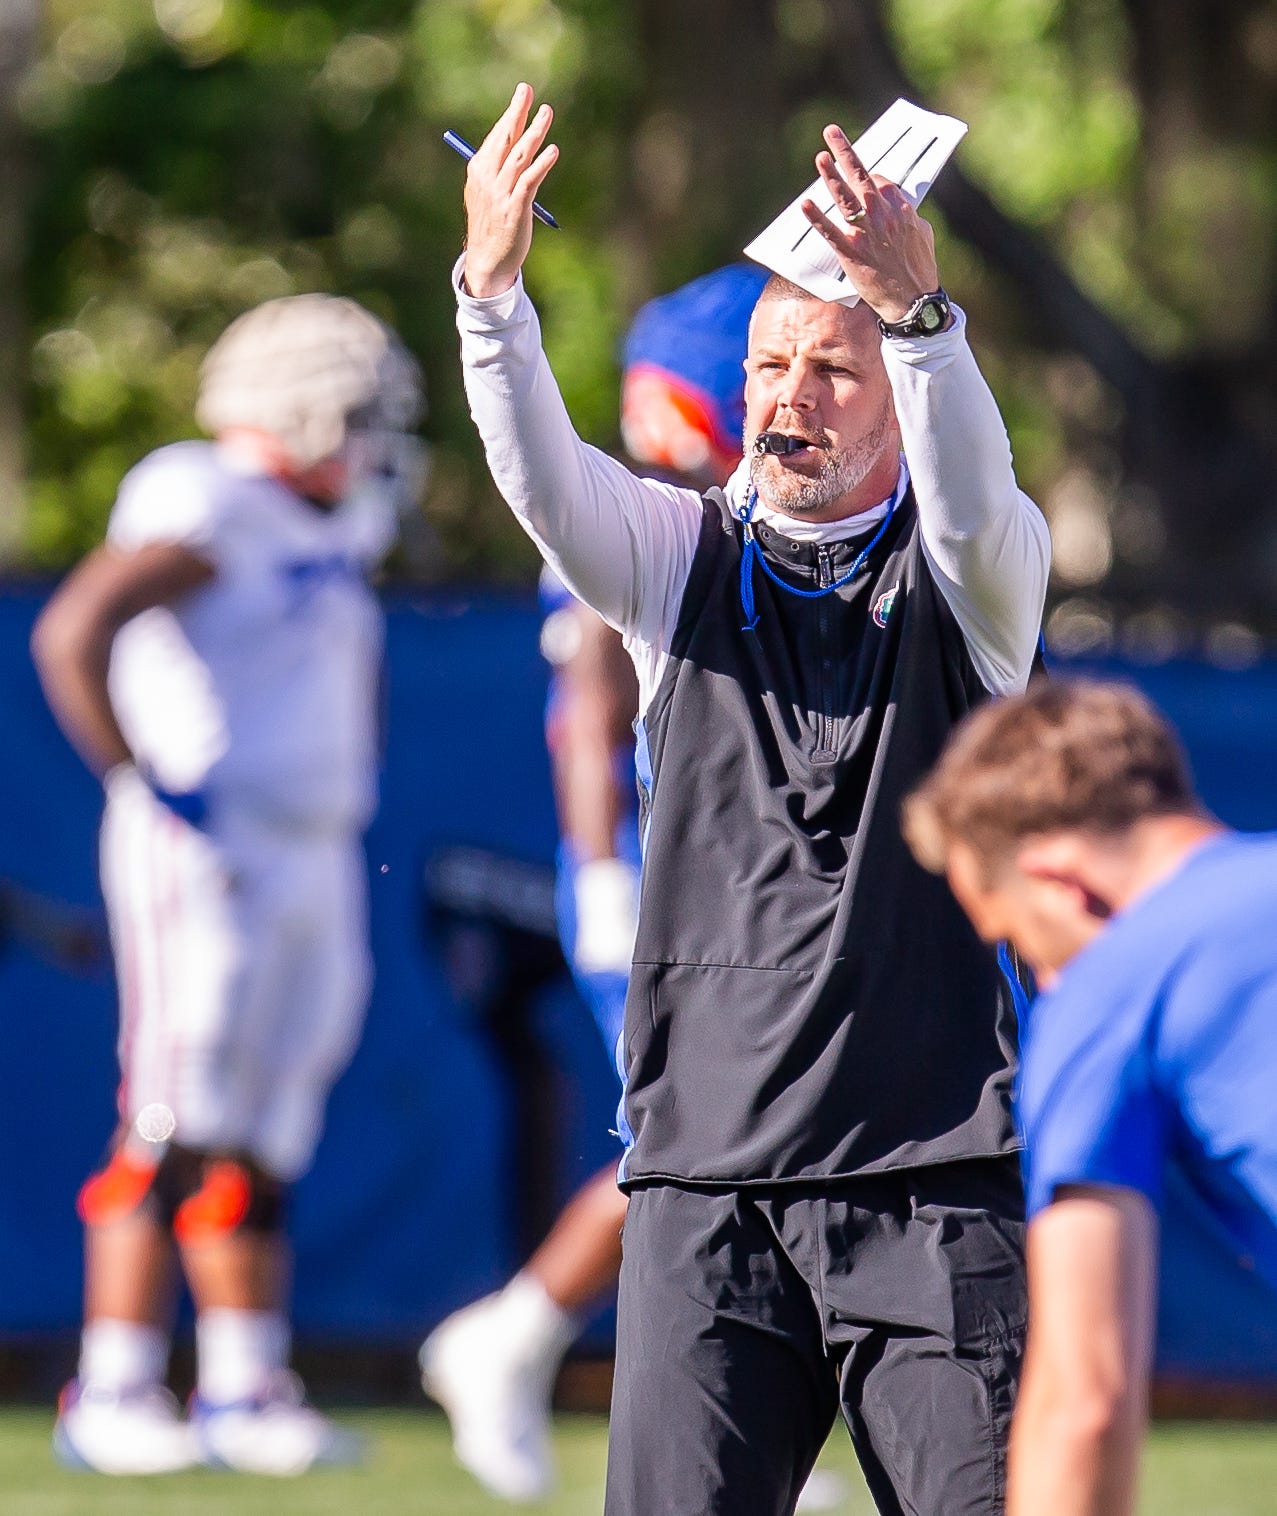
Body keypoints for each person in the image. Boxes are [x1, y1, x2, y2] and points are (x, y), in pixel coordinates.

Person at [453, 83, 1051, 1516]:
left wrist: (919, 323)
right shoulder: (679, 560)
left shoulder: (979, 580)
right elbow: (546, 485)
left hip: (930, 1174)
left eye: (829, 370)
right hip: (701, 1189)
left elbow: (969, 496)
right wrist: (491, 299)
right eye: (768, 363)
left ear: (893, 404)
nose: (787, 393)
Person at [31, 294, 422, 1476]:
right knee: (177, 1098)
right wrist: (140, 783)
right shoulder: (201, 498)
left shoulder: (338, 516)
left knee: (271, 1115)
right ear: (299, 407)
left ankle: (246, 1385)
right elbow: (72, 631)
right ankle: (112, 1380)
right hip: (209, 839)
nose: (375, 436)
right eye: (358, 411)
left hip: (312, 839)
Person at [420, 262, 767, 1502]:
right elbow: (587, 706)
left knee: (736, 1135)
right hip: (663, 874)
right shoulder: (643, 518)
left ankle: (759, 1405)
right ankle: (513, 1331)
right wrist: (604, 869)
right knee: (702, 1133)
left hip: (725, 872)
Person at [902, 678, 1277, 1516]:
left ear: (1059, 881)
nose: (1040, 980)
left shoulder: (1106, 988)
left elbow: (1084, 1399)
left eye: (1016, 942)